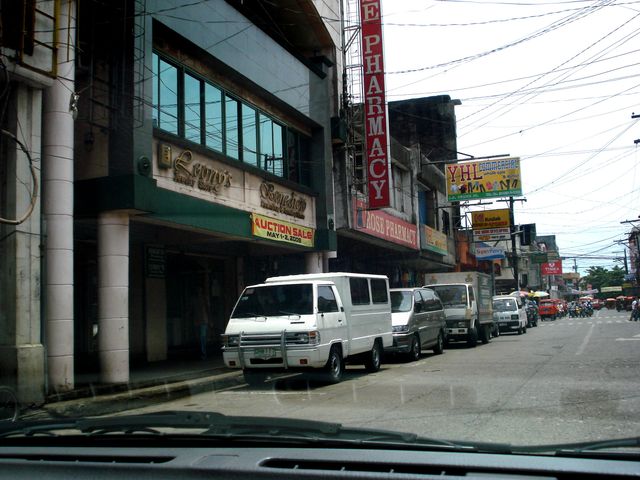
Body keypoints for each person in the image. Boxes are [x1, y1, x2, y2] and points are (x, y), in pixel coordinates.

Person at [193, 285, 211, 359]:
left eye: (200, 290)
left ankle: (203, 353)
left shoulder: (204, 298)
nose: (199, 292)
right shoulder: (195, 299)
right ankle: (201, 352)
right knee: (199, 338)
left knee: (202, 337)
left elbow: (208, 309)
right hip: (198, 320)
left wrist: (210, 320)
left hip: (203, 320)